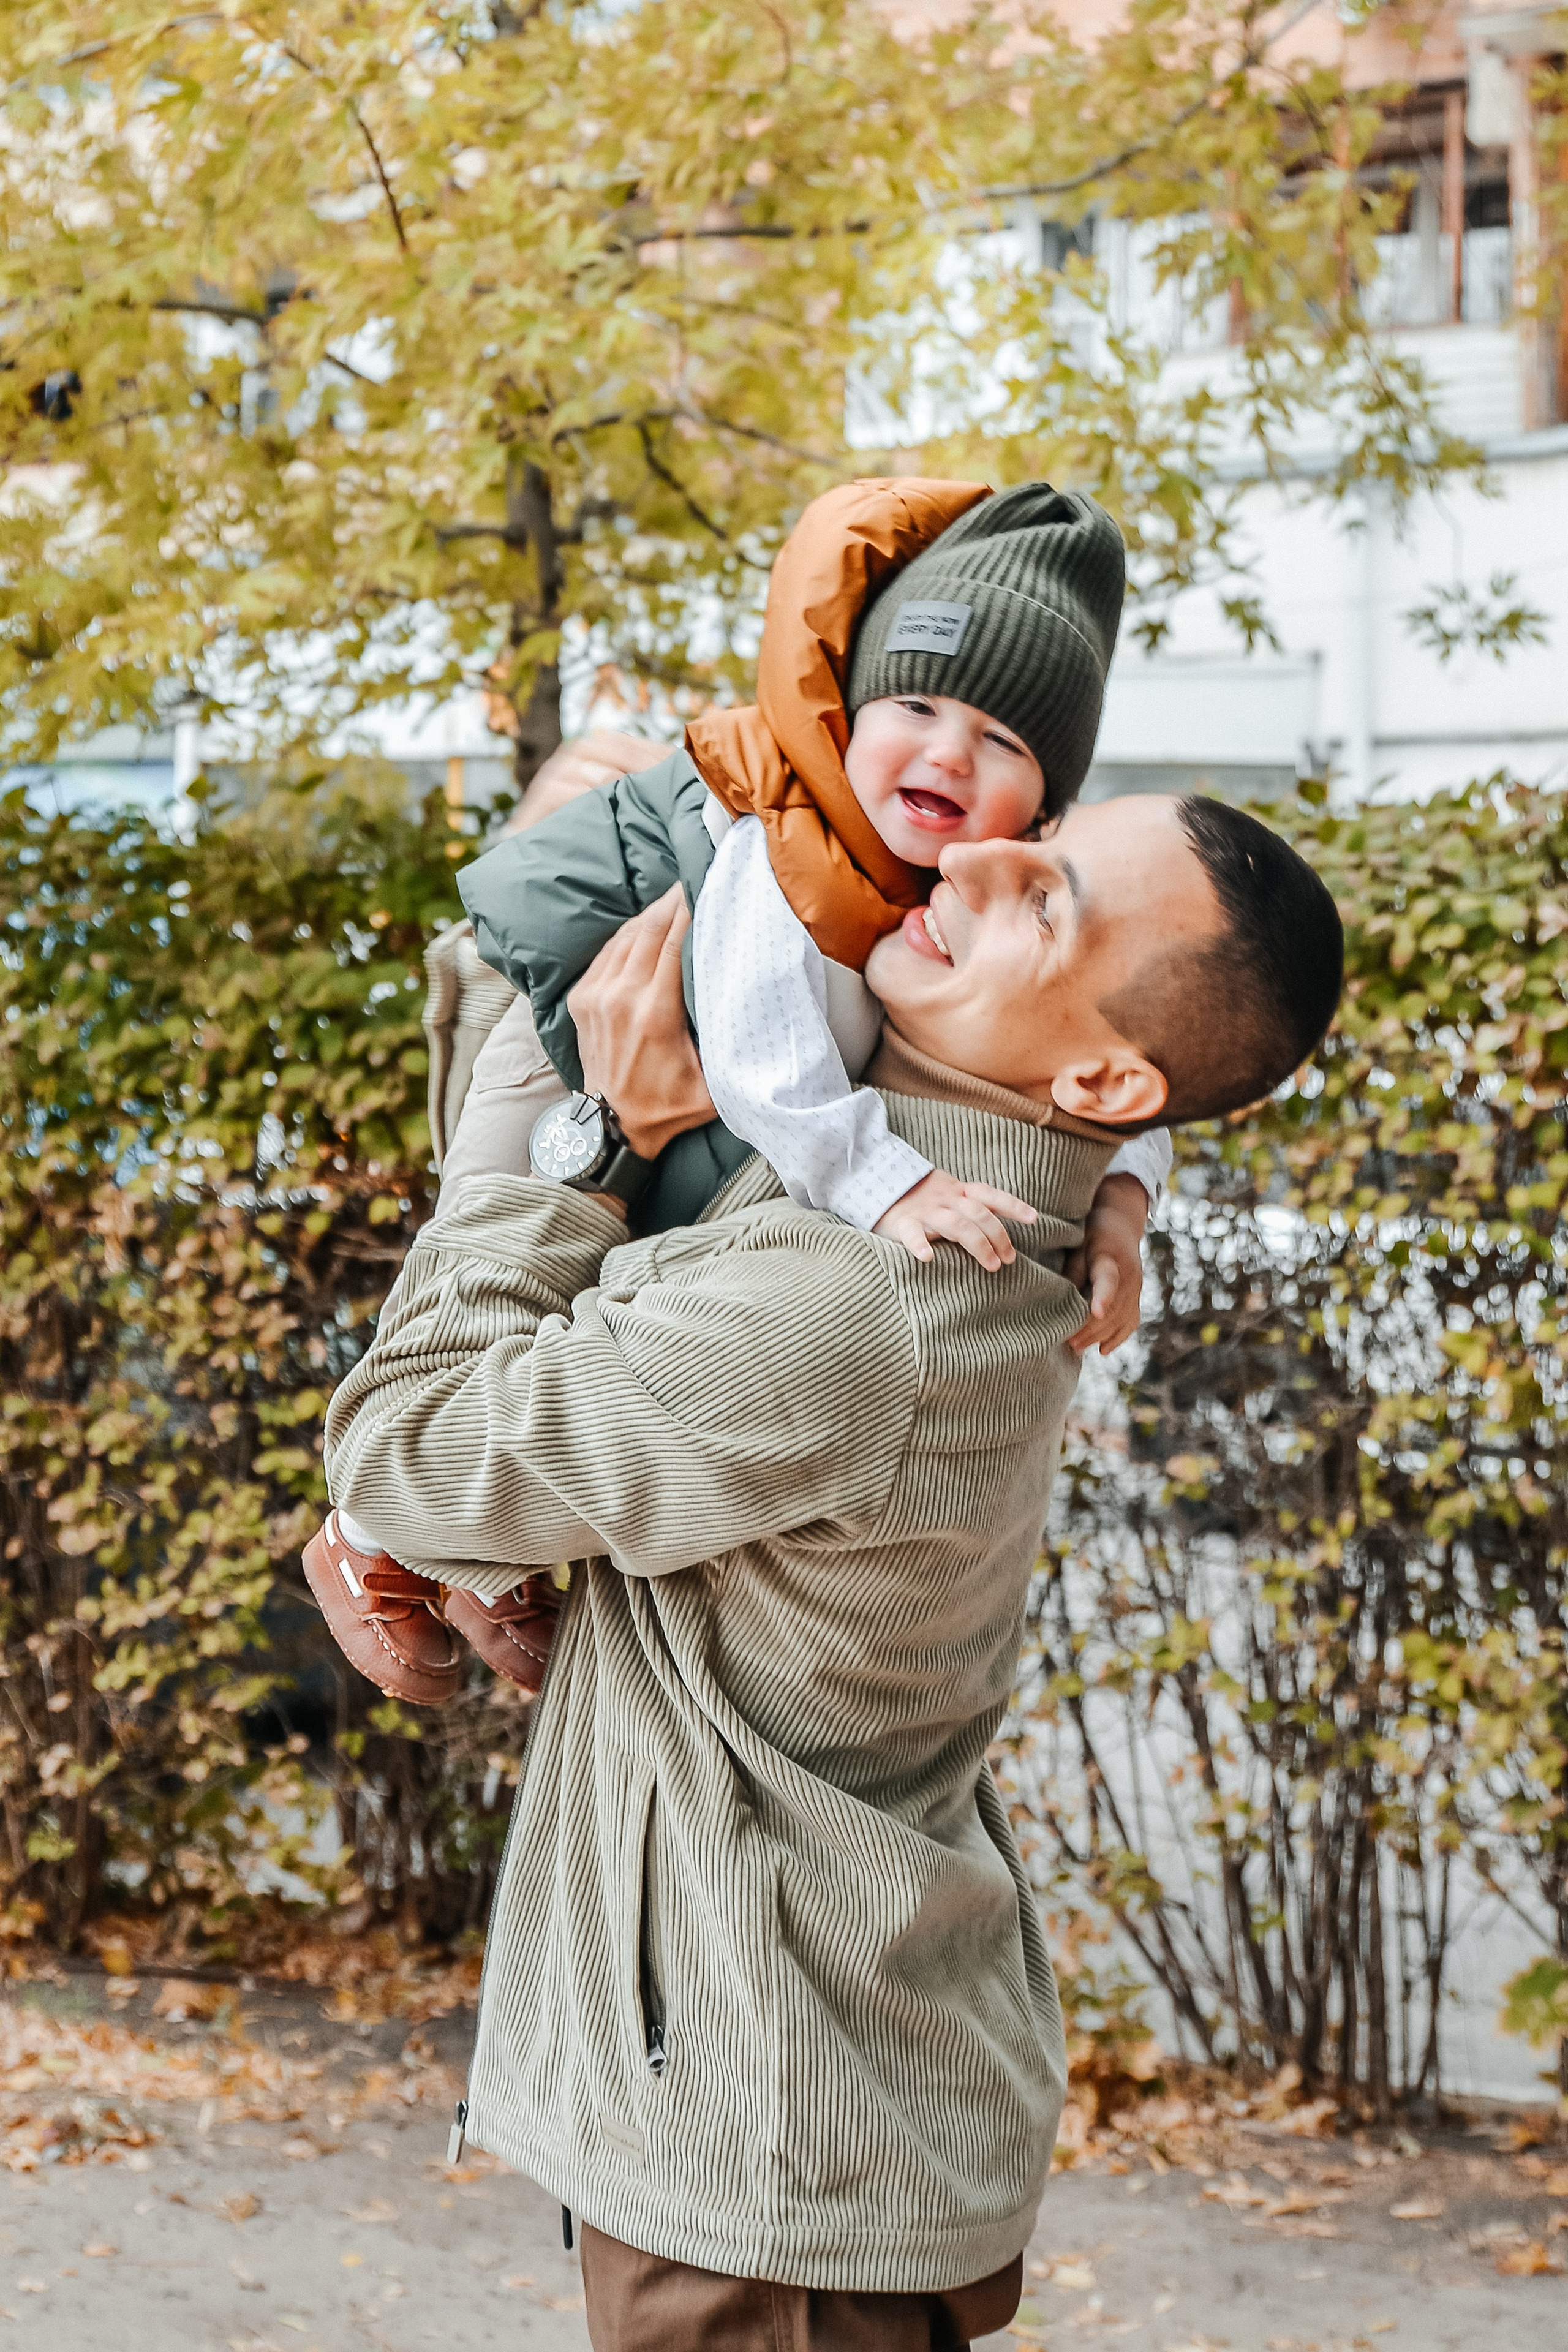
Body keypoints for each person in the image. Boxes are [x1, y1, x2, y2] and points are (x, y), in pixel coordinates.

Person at [321, 787, 1343, 2350]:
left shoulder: (854, 1301)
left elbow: (405, 1457)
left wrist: (591, 1142)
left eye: (1043, 893)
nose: (969, 854)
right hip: (817, 2084)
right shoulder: (970, 1198)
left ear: (1099, 1074)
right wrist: (1132, 1166)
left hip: (773, 2152)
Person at [304, 476, 1169, 1700]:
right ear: (847, 707)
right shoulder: (787, 837)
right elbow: (766, 1058)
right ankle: (376, 1534)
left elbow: (1125, 1038)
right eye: (911, 703)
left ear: (1049, 799)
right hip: (571, 1016)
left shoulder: (975, 879)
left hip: (711, 1092)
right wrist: (887, 1185)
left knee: (615, 1310)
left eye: (1003, 741)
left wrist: (1126, 1195)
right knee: (500, 1194)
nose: (944, 753)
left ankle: (484, 1555)